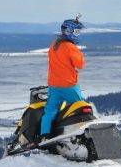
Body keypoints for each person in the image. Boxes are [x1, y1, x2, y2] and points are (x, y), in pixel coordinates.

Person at [37, 15, 86, 144]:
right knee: (81, 107)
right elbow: (80, 64)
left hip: (54, 84)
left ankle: (45, 135)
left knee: (50, 110)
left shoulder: (54, 45)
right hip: (68, 85)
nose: (78, 34)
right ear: (69, 31)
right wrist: (79, 52)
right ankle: (85, 132)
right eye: (76, 31)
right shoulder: (71, 47)